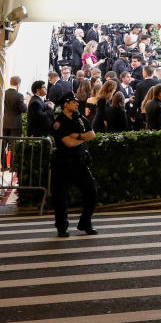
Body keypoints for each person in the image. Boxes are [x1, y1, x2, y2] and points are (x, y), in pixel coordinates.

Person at [50, 93, 98, 237]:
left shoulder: (80, 118)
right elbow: (68, 143)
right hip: (63, 164)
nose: (77, 104)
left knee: (92, 193)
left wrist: (77, 136)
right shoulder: (59, 122)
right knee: (60, 198)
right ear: (66, 104)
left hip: (80, 163)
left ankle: (85, 222)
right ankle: (62, 227)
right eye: (73, 102)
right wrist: (83, 137)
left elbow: (92, 135)